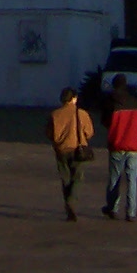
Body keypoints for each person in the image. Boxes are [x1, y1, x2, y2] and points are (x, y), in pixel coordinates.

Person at [101, 76, 137, 222]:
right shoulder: (135, 102)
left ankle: (113, 208)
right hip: (134, 146)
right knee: (132, 180)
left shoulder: (110, 102)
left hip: (117, 144)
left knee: (114, 178)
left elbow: (105, 121)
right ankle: (131, 212)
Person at [46, 86, 95, 222]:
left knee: (65, 178)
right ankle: (71, 201)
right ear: (74, 98)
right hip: (78, 149)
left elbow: (49, 134)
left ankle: (68, 206)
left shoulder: (55, 114)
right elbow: (89, 132)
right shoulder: (82, 113)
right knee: (78, 177)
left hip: (61, 150)